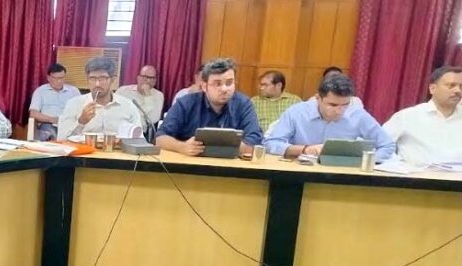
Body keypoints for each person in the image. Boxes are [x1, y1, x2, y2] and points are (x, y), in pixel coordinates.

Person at [264, 74, 395, 161]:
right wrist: (305, 149)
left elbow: (387, 145)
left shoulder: (358, 115)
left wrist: (362, 161)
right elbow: (271, 143)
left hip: (342, 176)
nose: (339, 111)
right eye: (332, 105)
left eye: (345, 105)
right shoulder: (297, 112)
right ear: (318, 98)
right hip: (300, 172)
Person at [156, 58, 263, 156]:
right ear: (204, 86)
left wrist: (217, 149)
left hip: (231, 165)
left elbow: (254, 141)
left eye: (229, 83)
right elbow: (160, 138)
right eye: (217, 84)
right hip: (191, 162)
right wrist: (182, 147)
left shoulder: (244, 104)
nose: (224, 89)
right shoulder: (185, 103)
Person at [383, 66, 462, 165]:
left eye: (461, 87)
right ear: (432, 89)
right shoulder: (407, 116)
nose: (458, 91)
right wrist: (399, 165)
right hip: (416, 173)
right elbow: (379, 145)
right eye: (451, 85)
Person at [58, 56, 142, 140]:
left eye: (102, 78)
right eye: (92, 78)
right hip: (84, 148)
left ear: (112, 79)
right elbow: (61, 139)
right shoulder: (73, 104)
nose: (97, 84)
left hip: (116, 148)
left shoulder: (127, 106)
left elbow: (139, 140)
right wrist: (81, 122)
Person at [29, 63, 80, 141]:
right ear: (48, 78)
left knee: (77, 136)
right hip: (49, 124)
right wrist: (53, 119)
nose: (59, 81)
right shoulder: (40, 91)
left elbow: (82, 109)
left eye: (61, 78)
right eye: (56, 78)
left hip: (70, 124)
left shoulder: (74, 91)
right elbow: (33, 113)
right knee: (50, 135)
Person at [116, 65, 164, 129]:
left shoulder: (158, 95)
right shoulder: (123, 91)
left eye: (152, 78)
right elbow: (115, 112)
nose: (148, 81)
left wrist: (148, 96)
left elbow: (153, 119)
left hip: (141, 132)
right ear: (138, 78)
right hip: (118, 128)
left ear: (155, 81)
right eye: (145, 77)